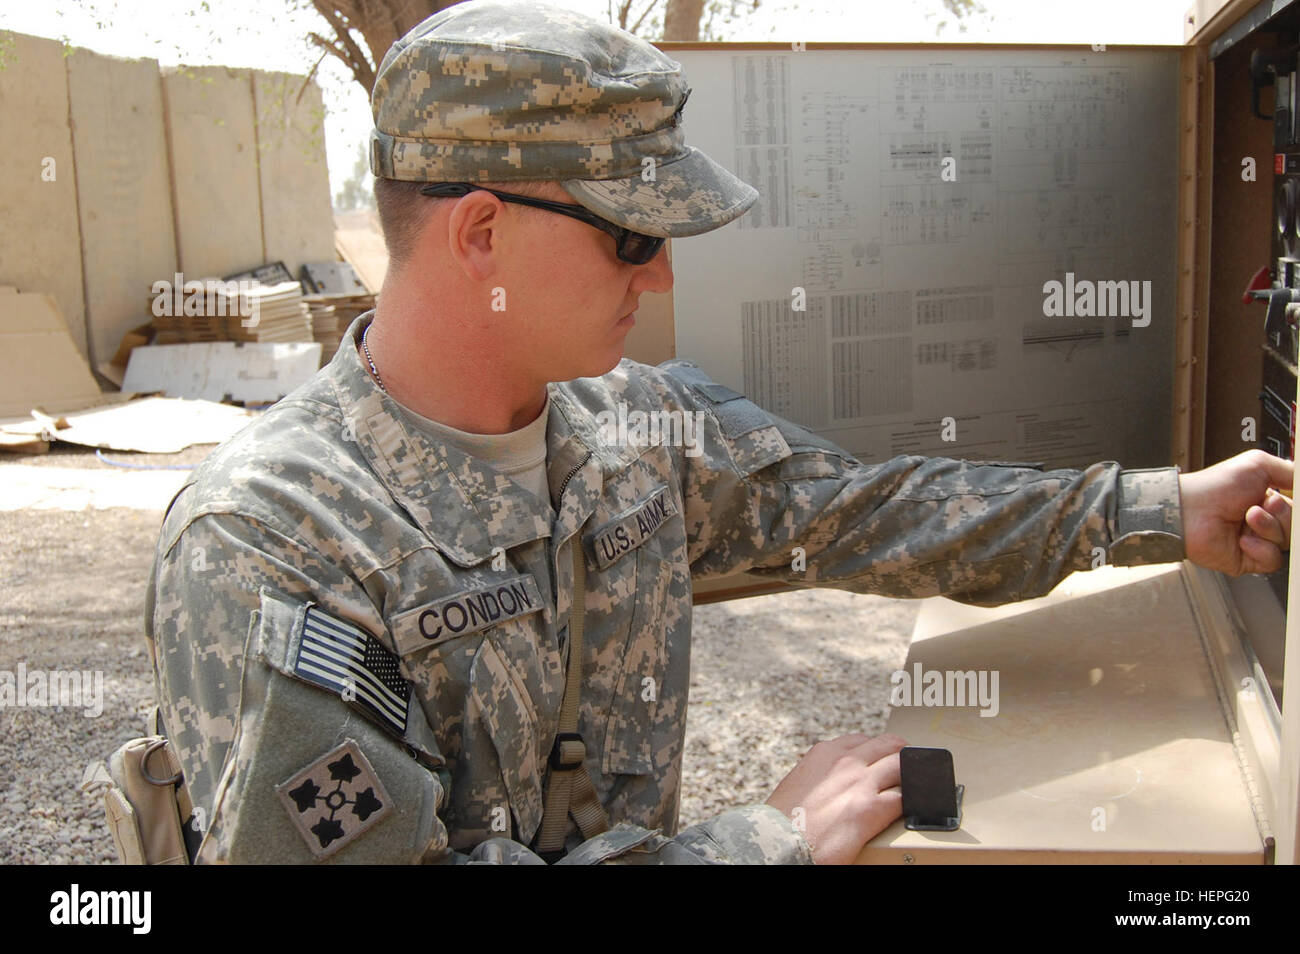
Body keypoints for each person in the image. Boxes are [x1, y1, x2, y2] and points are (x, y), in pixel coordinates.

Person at [144, 1, 1293, 865]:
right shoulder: (268, 545)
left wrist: (1160, 511)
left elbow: (868, 510)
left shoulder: (628, 429)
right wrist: (764, 842)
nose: (665, 269)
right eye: (633, 236)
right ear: (483, 233)